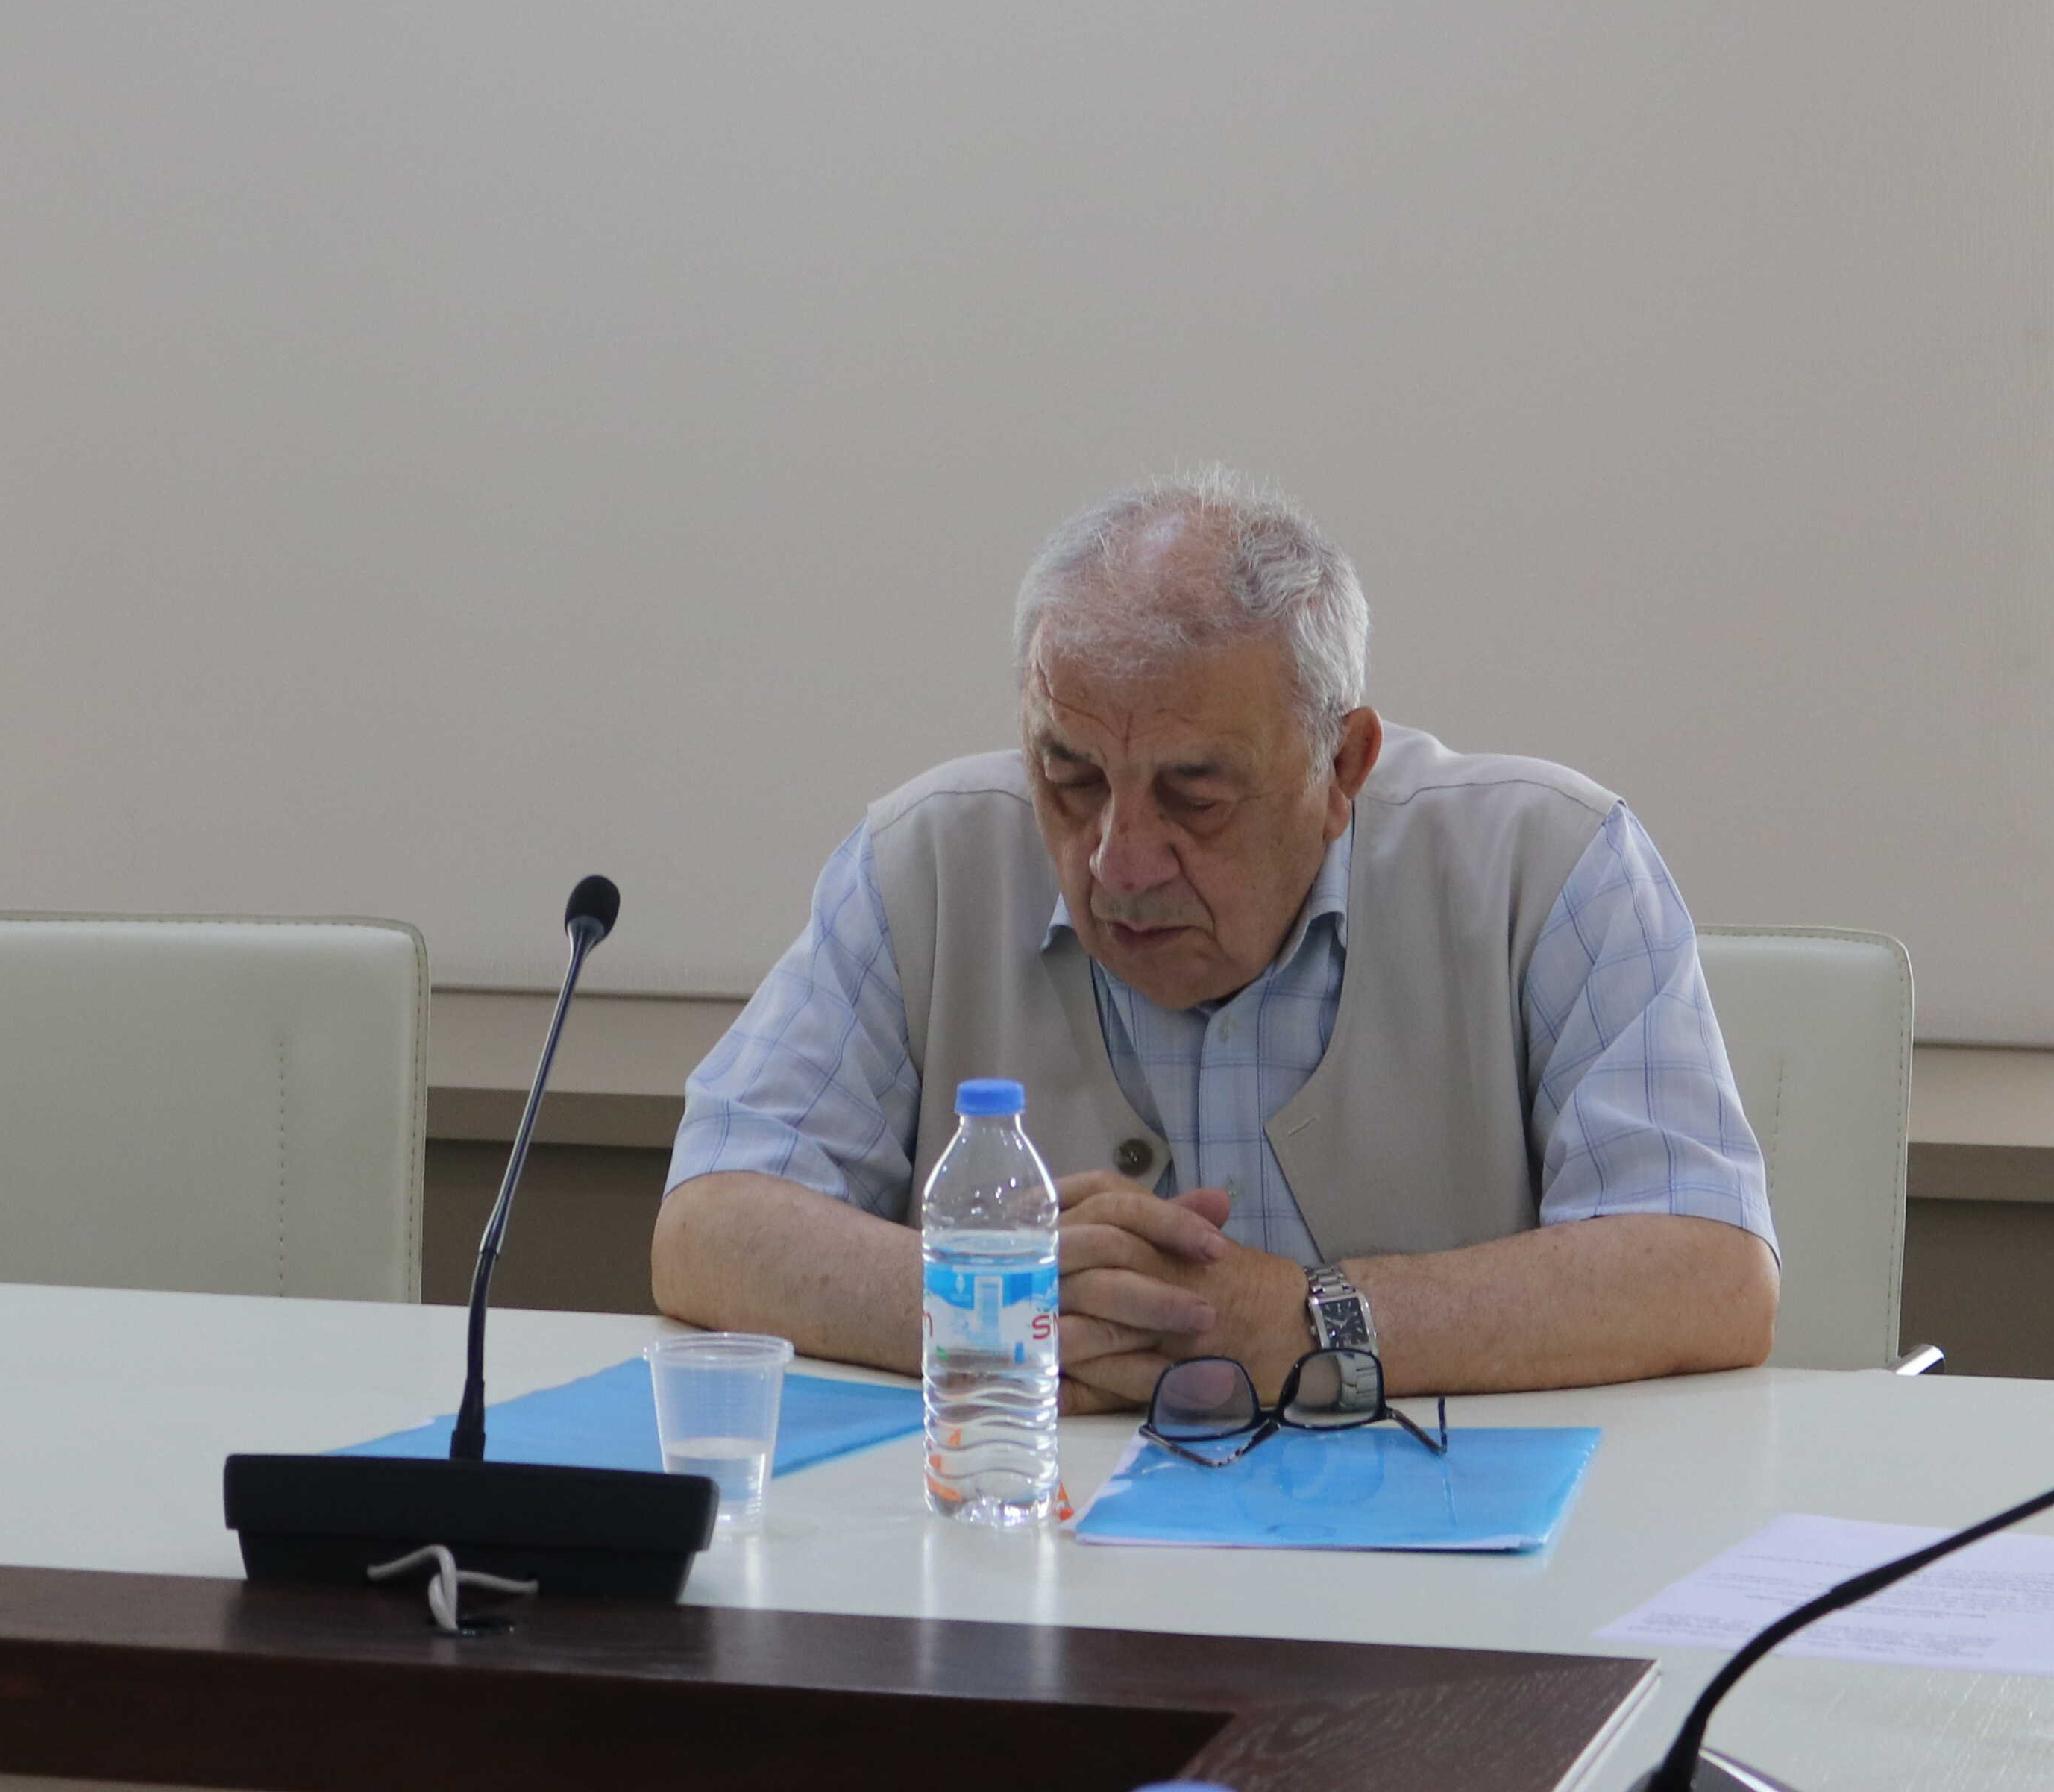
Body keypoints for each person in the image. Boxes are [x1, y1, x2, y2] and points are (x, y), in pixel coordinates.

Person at [653, 468, 1779, 1412]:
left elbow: (1707, 1271)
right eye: (1071, 778)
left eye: (1194, 796)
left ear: (1341, 767)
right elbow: (711, 1224)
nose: (1120, 862)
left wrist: (1306, 1322)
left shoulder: (1550, 862)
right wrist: (1000, 1304)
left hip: (1444, 1565)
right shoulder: (925, 862)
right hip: (1028, 1547)